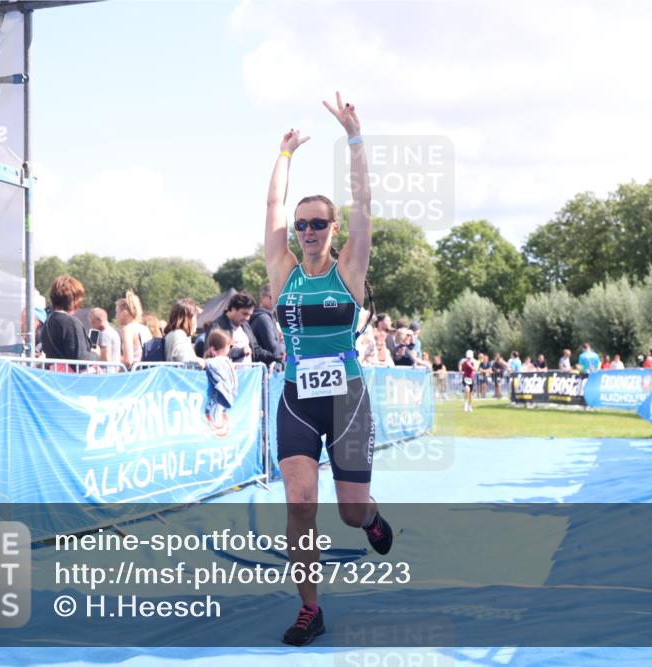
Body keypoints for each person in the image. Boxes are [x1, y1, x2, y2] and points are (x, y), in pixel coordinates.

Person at [264, 92, 389, 646]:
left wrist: (354, 137)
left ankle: (372, 518)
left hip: (347, 400)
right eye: (302, 225)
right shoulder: (282, 271)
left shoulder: (349, 270)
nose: (308, 231)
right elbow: (271, 211)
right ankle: (310, 609)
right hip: (295, 396)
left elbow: (364, 203)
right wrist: (284, 155)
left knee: (350, 512)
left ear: (333, 229)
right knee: (299, 500)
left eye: (318, 223)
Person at [206, 292, 282, 365]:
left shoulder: (245, 326)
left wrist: (277, 357)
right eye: (244, 314)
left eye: (249, 315)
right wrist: (240, 352)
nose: (247, 318)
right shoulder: (217, 327)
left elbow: (256, 350)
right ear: (233, 308)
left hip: (248, 375)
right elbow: (211, 355)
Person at [41, 276, 94, 364]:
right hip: (70, 377)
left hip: (54, 375)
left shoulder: (48, 321)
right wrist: (95, 354)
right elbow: (81, 362)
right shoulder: (71, 323)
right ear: (74, 299)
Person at [251, 283, 284, 367]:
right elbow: (274, 349)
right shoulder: (264, 318)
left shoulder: (267, 317)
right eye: (272, 297)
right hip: (267, 369)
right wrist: (285, 345)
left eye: (278, 297)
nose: (276, 301)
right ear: (263, 298)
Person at [164, 298, 203, 365]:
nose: (196, 321)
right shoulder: (179, 335)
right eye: (194, 317)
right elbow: (183, 358)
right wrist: (201, 362)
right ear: (187, 318)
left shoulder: (176, 334)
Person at [116, 291, 145, 370]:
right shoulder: (145, 328)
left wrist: (115, 359)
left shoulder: (127, 329)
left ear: (124, 313)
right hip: (146, 372)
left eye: (117, 312)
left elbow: (128, 361)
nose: (116, 316)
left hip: (134, 374)